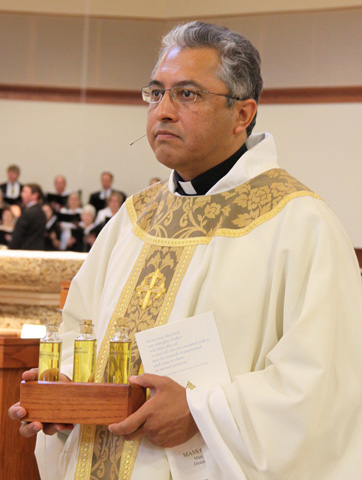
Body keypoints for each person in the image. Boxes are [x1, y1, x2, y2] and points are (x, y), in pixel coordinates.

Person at [9, 21, 362, 480]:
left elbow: (324, 388)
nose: (163, 111)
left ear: (243, 114)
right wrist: (64, 394)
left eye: (188, 94)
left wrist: (200, 412)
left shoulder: (299, 224)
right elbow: (81, 330)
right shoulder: (133, 220)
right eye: (156, 93)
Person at [8, 183, 46, 250]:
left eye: (25, 192)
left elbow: (18, 235)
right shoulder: (41, 212)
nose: (22, 195)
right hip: (38, 250)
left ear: (35, 195)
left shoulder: (28, 213)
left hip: (25, 251)